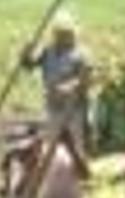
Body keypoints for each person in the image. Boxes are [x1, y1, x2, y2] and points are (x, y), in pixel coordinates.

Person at [22, 13, 92, 148]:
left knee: (75, 146)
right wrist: (26, 51)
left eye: (66, 33)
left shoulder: (81, 54)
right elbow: (28, 66)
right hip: (53, 106)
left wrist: (69, 86)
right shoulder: (48, 51)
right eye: (60, 34)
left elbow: (86, 80)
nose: (63, 37)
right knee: (51, 145)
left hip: (74, 109)